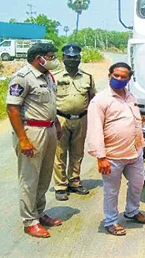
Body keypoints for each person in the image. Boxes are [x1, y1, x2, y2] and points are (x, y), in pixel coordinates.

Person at [86, 62, 145, 236]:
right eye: (116, 75)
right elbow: (95, 130)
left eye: (124, 77)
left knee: (138, 183)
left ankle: (132, 211)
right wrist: (101, 157)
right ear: (109, 75)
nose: (119, 79)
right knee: (111, 190)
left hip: (134, 152)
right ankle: (110, 221)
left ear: (129, 79)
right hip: (113, 156)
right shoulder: (100, 100)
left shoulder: (131, 97)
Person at [6, 42, 63, 238]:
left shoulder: (47, 76)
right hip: (31, 131)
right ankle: (29, 221)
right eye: (50, 55)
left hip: (48, 129)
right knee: (29, 178)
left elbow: (49, 104)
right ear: (39, 58)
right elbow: (12, 109)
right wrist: (23, 139)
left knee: (44, 176)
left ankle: (39, 212)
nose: (53, 59)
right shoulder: (22, 78)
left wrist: (56, 124)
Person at [52, 43, 97, 201]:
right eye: (69, 57)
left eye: (75, 57)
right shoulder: (54, 77)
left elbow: (92, 98)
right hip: (60, 118)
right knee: (60, 153)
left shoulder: (87, 77)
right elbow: (48, 100)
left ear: (80, 58)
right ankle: (60, 186)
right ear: (63, 58)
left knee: (77, 153)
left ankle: (74, 181)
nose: (72, 60)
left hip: (81, 119)